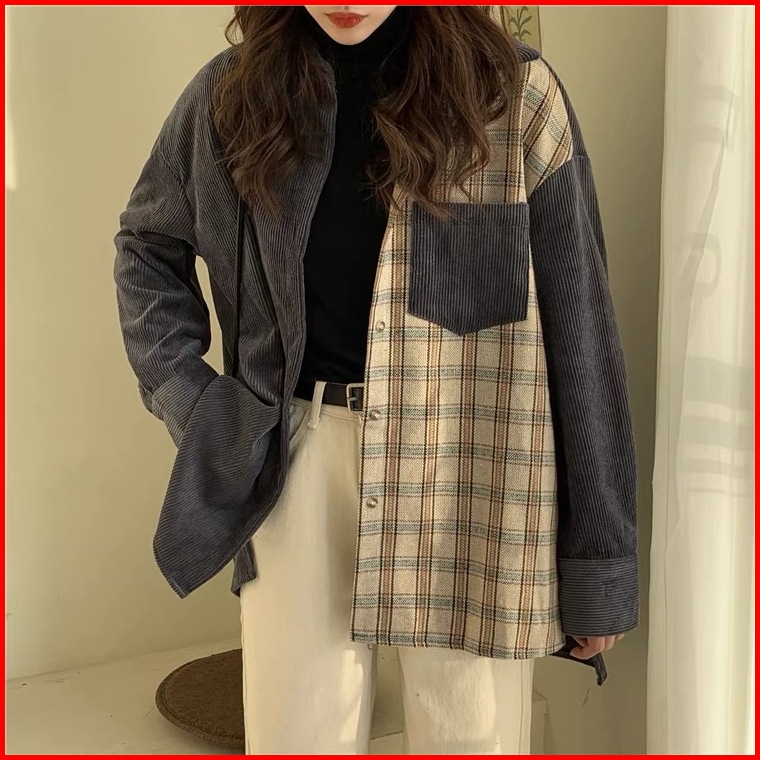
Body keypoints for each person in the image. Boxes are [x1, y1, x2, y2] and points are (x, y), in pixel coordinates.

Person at [113, 5, 638, 755]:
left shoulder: (516, 96)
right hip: (295, 463)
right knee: (297, 737)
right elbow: (146, 247)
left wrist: (598, 560)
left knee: (472, 740)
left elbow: (581, 329)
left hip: (471, 465)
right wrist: (192, 403)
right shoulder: (232, 97)